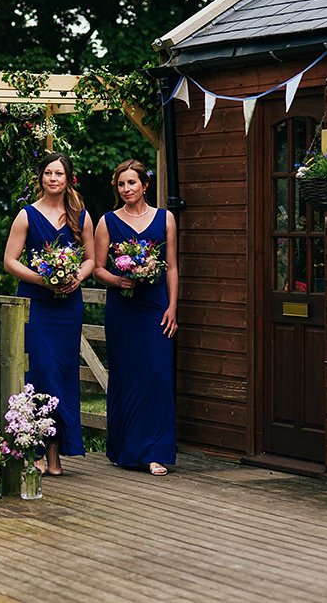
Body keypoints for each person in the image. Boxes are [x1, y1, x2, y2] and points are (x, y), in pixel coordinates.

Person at [3, 152, 94, 475]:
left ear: (68, 178)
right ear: (40, 177)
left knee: (64, 374)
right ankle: (36, 452)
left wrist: (75, 278)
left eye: (59, 174)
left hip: (68, 306)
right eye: (48, 173)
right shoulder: (26, 215)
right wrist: (42, 279)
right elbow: (10, 261)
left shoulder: (81, 216)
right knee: (41, 372)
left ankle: (57, 456)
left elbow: (91, 260)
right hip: (37, 305)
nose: (53, 179)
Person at [93, 159, 177, 476]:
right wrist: (117, 280)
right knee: (126, 375)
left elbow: (172, 267)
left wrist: (172, 307)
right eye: (121, 184)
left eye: (132, 183)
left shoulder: (165, 219)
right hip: (123, 308)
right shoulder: (107, 222)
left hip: (155, 306)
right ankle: (126, 450)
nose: (127, 189)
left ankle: (155, 451)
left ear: (145, 185)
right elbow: (98, 267)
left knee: (157, 374)